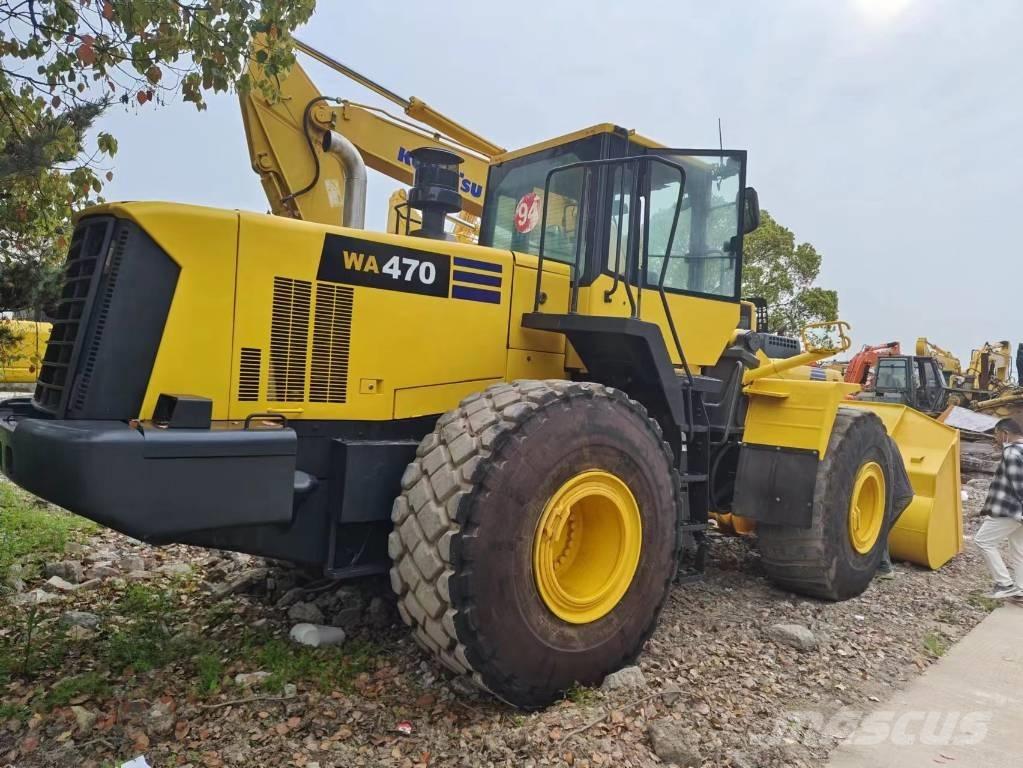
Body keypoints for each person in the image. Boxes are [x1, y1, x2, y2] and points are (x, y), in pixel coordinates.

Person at [974, 417, 1023, 598]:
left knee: (983, 541)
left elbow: (1019, 486)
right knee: (1018, 549)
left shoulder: (1011, 453)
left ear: (1005, 434)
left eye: (996, 434)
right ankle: (1020, 589)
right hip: (1016, 511)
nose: (996, 439)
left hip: (1010, 510)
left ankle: (1004, 583)